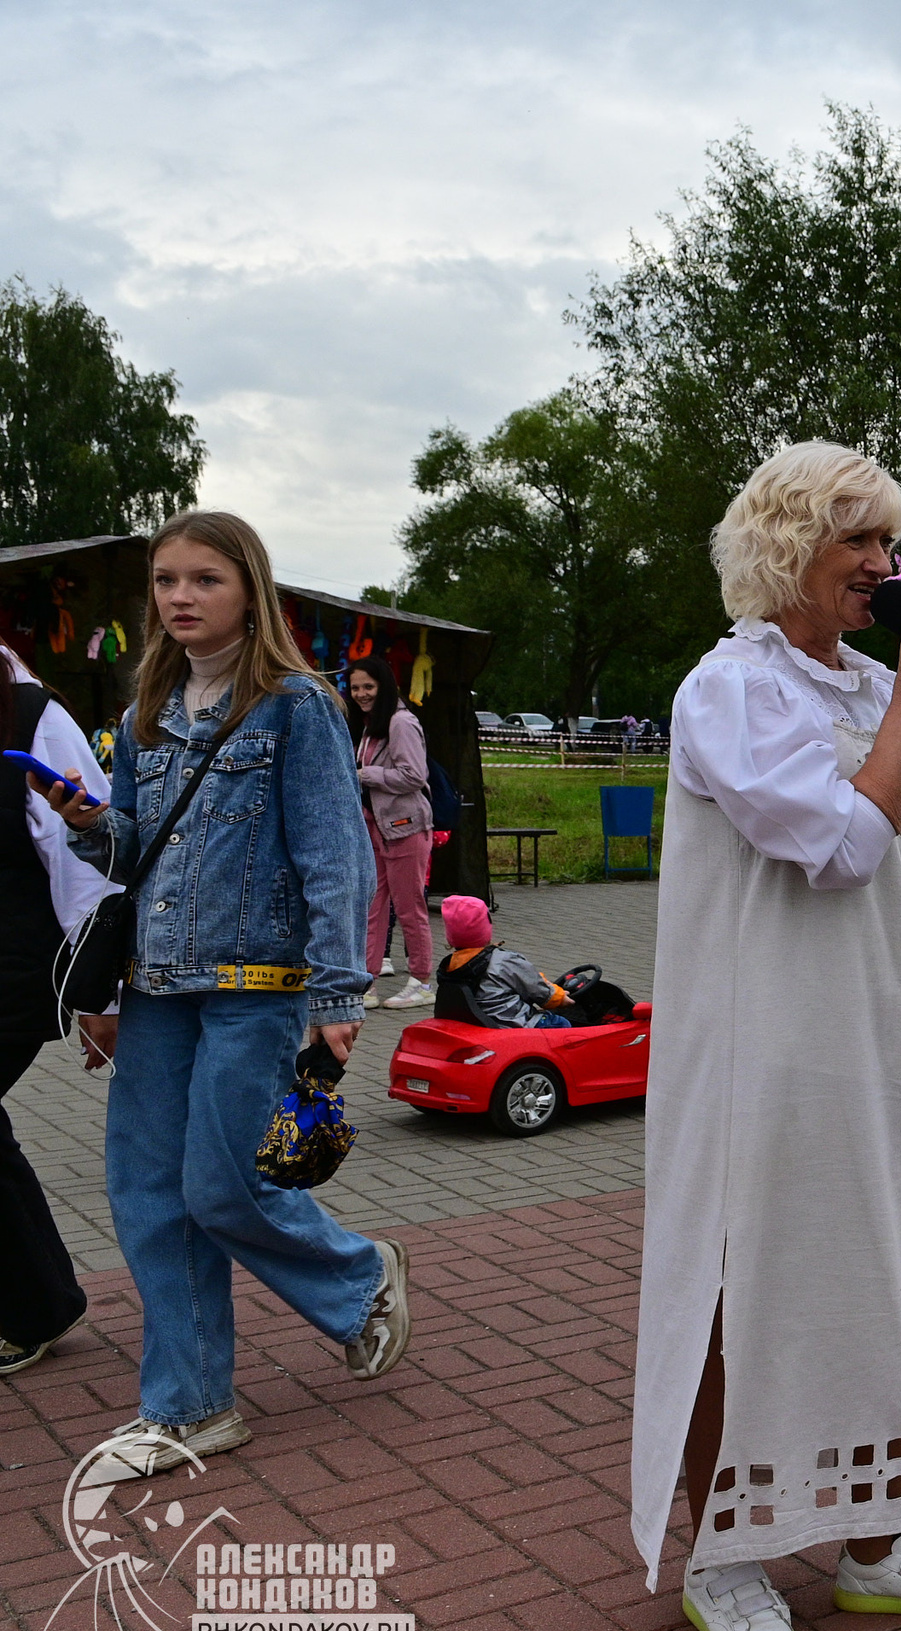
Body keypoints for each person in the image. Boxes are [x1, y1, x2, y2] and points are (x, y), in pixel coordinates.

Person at [630, 444, 901, 1631]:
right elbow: (843, 849)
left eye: (892, 543)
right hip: (757, 1043)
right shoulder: (729, 688)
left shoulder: (861, 681)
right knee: (737, 1285)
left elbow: (895, 885)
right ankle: (725, 1552)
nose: (883, 567)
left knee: (873, 1280)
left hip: (863, 1032)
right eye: (859, 541)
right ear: (787, 546)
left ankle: (874, 1543)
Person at [37, 511, 409, 1479]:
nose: (180, 598)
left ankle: (358, 1278)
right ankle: (192, 1405)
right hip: (157, 983)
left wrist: (341, 993)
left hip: (256, 985)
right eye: (166, 581)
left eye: (204, 579)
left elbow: (335, 857)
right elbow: (134, 851)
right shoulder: (145, 714)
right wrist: (86, 822)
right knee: (150, 1199)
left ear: (250, 590)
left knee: (222, 1184)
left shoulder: (296, 705)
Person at [1, 643, 116, 1376]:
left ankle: (40, 1303)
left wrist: (101, 995)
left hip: (18, 962)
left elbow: (87, 850)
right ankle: (41, 1297)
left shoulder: (35, 716)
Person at [345, 656, 435, 1011]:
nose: (361, 694)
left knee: (409, 906)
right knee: (373, 905)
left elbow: (414, 776)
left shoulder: (401, 722)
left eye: (368, 687)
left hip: (406, 828)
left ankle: (422, 981)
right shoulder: (370, 725)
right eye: (355, 688)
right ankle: (367, 982)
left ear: (384, 686)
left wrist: (368, 775)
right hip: (376, 828)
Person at [433, 896, 576, 1028]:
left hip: (479, 1022)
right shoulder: (504, 961)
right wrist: (560, 998)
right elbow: (538, 990)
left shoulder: (449, 966)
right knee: (561, 1024)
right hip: (513, 1024)